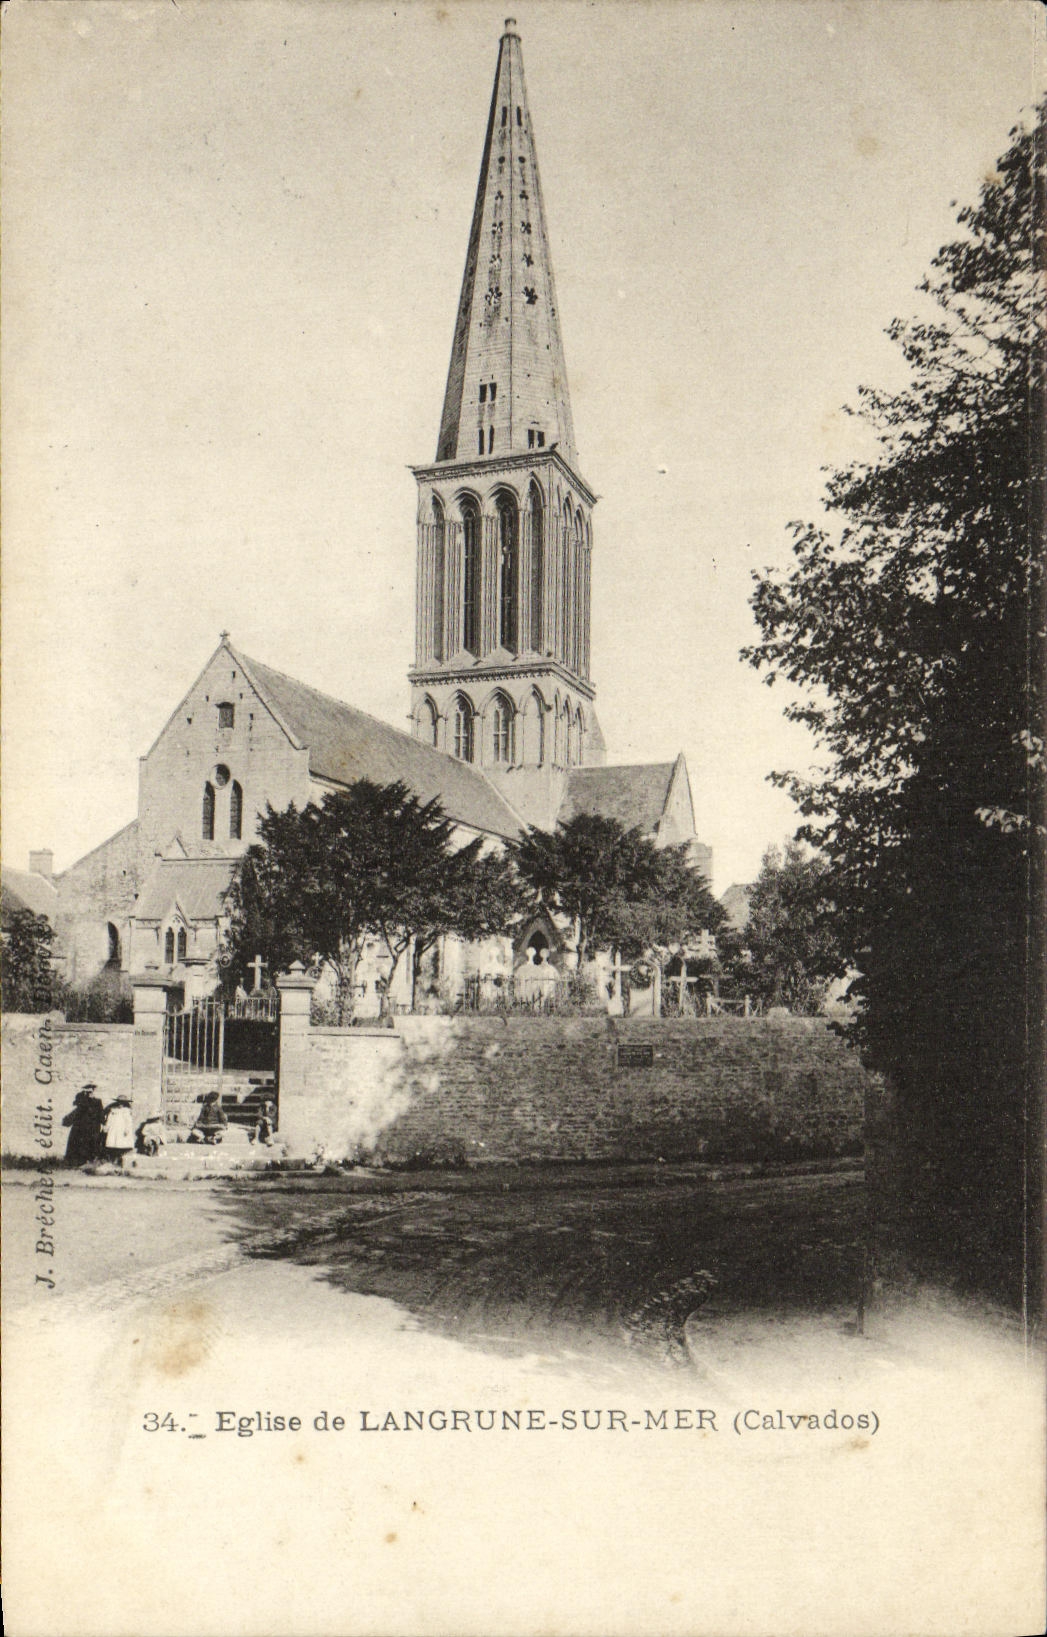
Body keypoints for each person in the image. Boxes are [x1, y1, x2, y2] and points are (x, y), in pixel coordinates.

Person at [62, 1084, 104, 1166]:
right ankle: (77, 1162)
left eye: (91, 1091)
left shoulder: (98, 1101)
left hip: (93, 1126)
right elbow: (77, 1107)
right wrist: (84, 1094)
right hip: (81, 1126)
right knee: (80, 1143)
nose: (90, 1093)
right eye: (88, 1091)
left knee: (91, 1143)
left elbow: (101, 1113)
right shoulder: (81, 1099)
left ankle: (90, 1161)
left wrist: (103, 1122)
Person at [101, 1094, 135, 1162]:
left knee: (121, 1143)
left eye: (122, 1103)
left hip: (121, 1129)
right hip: (114, 1128)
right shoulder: (113, 1110)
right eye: (119, 1102)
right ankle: (113, 1158)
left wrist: (127, 1129)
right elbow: (109, 1119)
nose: (120, 1104)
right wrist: (106, 1127)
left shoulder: (126, 1111)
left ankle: (120, 1158)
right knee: (113, 1142)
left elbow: (129, 1121)